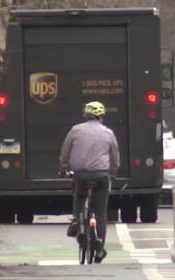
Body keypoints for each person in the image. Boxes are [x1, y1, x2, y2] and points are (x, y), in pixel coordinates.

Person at [59, 101, 120, 263]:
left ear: (86, 116)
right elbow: (115, 159)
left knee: (79, 197)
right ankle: (99, 249)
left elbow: (65, 153)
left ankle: (78, 223)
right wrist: (112, 173)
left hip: (81, 175)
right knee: (100, 212)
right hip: (101, 176)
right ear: (102, 116)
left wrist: (64, 168)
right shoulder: (108, 133)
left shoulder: (75, 130)